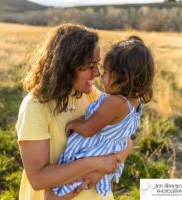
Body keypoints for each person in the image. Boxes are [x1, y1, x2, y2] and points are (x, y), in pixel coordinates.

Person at [16, 23, 133, 200]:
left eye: (98, 64)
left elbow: (126, 142)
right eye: (89, 66)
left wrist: (99, 173)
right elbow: (38, 179)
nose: (97, 73)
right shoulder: (36, 107)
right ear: (65, 66)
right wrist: (94, 164)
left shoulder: (92, 96)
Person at [52, 36, 155, 197]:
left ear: (123, 77)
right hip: (110, 152)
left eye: (106, 72)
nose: (101, 75)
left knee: (63, 189)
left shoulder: (114, 103)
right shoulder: (134, 101)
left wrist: (75, 124)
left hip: (93, 152)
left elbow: (88, 129)